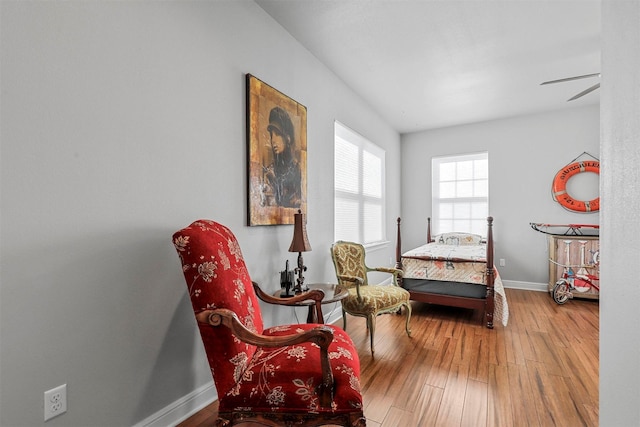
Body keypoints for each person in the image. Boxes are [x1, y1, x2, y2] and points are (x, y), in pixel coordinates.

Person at [264, 106, 302, 208]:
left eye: (277, 134)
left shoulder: (297, 168)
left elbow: (297, 201)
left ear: (288, 138)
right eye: (271, 135)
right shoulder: (270, 171)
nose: (273, 140)